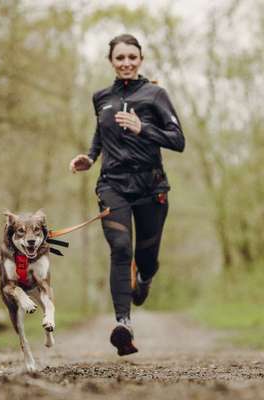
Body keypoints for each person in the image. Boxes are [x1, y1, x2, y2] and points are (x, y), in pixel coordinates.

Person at [69, 34, 185, 356]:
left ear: (141, 60)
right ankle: (124, 325)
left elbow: (178, 140)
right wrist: (90, 158)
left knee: (145, 258)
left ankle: (144, 278)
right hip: (113, 185)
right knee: (120, 249)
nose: (126, 63)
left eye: (132, 57)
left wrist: (141, 128)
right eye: (120, 58)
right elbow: (100, 132)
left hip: (151, 187)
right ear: (111, 61)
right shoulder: (101, 97)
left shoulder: (155, 95)